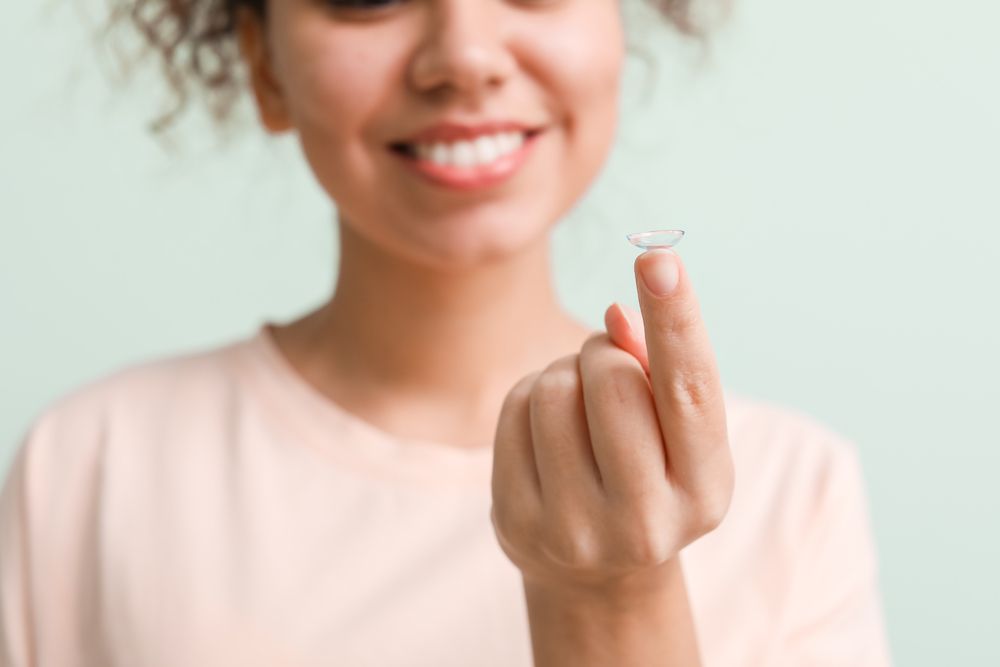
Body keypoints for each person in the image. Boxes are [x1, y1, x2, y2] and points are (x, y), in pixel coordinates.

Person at [0, 0, 893, 665]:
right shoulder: (90, 467)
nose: (464, 57)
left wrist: (615, 599)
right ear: (267, 69)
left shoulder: (791, 493)